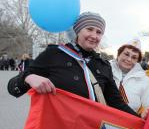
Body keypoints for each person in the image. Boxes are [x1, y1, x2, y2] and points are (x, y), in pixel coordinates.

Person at [8, 12, 138, 117]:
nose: (94, 35)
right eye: (89, 29)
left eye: (99, 32)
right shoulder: (54, 54)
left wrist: (141, 122)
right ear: (78, 31)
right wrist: (28, 78)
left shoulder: (102, 65)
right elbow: (12, 88)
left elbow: (117, 102)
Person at [110, 38, 149, 115]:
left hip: (129, 122)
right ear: (118, 54)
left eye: (134, 57)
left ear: (138, 61)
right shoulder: (104, 71)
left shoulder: (145, 81)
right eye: (126, 54)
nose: (129, 59)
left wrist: (148, 112)